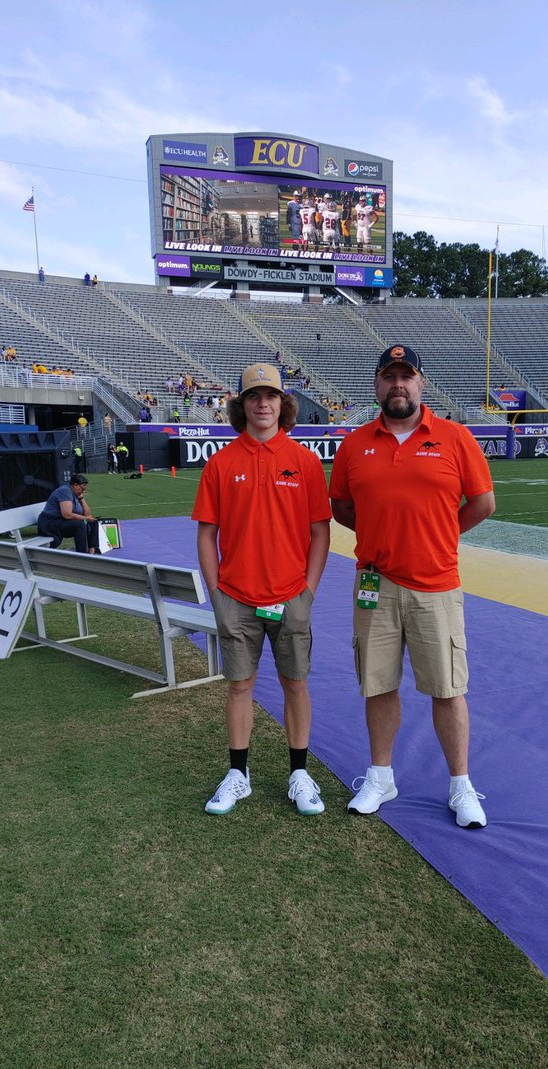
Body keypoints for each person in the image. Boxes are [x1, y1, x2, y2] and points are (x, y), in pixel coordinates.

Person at [329, 345, 496, 829]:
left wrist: (440, 534)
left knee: (447, 688)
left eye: (407, 376)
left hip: (436, 583)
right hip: (374, 583)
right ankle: (381, 776)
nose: (398, 385)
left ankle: (460, 784)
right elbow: (342, 508)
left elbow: (483, 502)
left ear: (421, 383)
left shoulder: (454, 437)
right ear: (377, 385)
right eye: (389, 377)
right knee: (377, 684)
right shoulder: (355, 443)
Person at [192, 363, 331, 817]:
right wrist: (217, 595)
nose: (263, 404)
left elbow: (320, 532)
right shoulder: (221, 462)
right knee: (239, 687)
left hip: (291, 596)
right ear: (241, 405)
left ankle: (299, 773)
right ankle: (239, 774)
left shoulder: (306, 461)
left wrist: (307, 591)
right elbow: (206, 535)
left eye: (271, 396)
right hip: (238, 597)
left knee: (296, 685)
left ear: (283, 403)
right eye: (254, 397)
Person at [37, 474, 100, 553]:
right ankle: (82, 555)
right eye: (82, 488)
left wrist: (81, 498)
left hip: (60, 521)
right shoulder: (65, 491)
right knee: (80, 524)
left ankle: (92, 552)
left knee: (93, 522)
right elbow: (67, 515)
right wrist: (86, 518)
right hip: (49, 523)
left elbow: (87, 515)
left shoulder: (76, 494)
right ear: (75, 485)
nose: (83, 491)